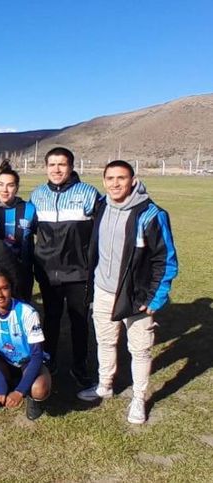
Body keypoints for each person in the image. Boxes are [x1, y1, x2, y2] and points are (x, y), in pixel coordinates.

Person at [77, 161, 178, 424]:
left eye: (121, 178)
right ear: (104, 181)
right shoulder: (101, 207)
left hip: (137, 295)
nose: (115, 183)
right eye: (110, 178)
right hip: (103, 290)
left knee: (140, 350)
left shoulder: (151, 214)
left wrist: (156, 297)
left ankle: (139, 399)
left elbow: (165, 260)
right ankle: (105, 385)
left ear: (133, 180)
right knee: (106, 342)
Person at [30, 147, 100, 386]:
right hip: (47, 271)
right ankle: (49, 360)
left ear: (71, 167)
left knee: (79, 320)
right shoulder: (37, 195)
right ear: (46, 167)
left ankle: (79, 365)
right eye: (52, 165)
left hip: (79, 271)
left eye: (62, 164)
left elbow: (105, 227)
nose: (57, 169)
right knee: (50, 317)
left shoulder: (88, 193)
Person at [0, 271, 51, 420]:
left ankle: (32, 399)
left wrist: (20, 391)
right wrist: (0, 381)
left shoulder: (27, 312)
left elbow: (36, 355)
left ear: (11, 288)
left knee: (40, 388)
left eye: (4, 288)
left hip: (27, 361)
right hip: (3, 360)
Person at [0, 160, 36, 300]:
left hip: (23, 272)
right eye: (1, 184)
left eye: (10, 185)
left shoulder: (29, 209)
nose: (5, 190)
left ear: (16, 188)